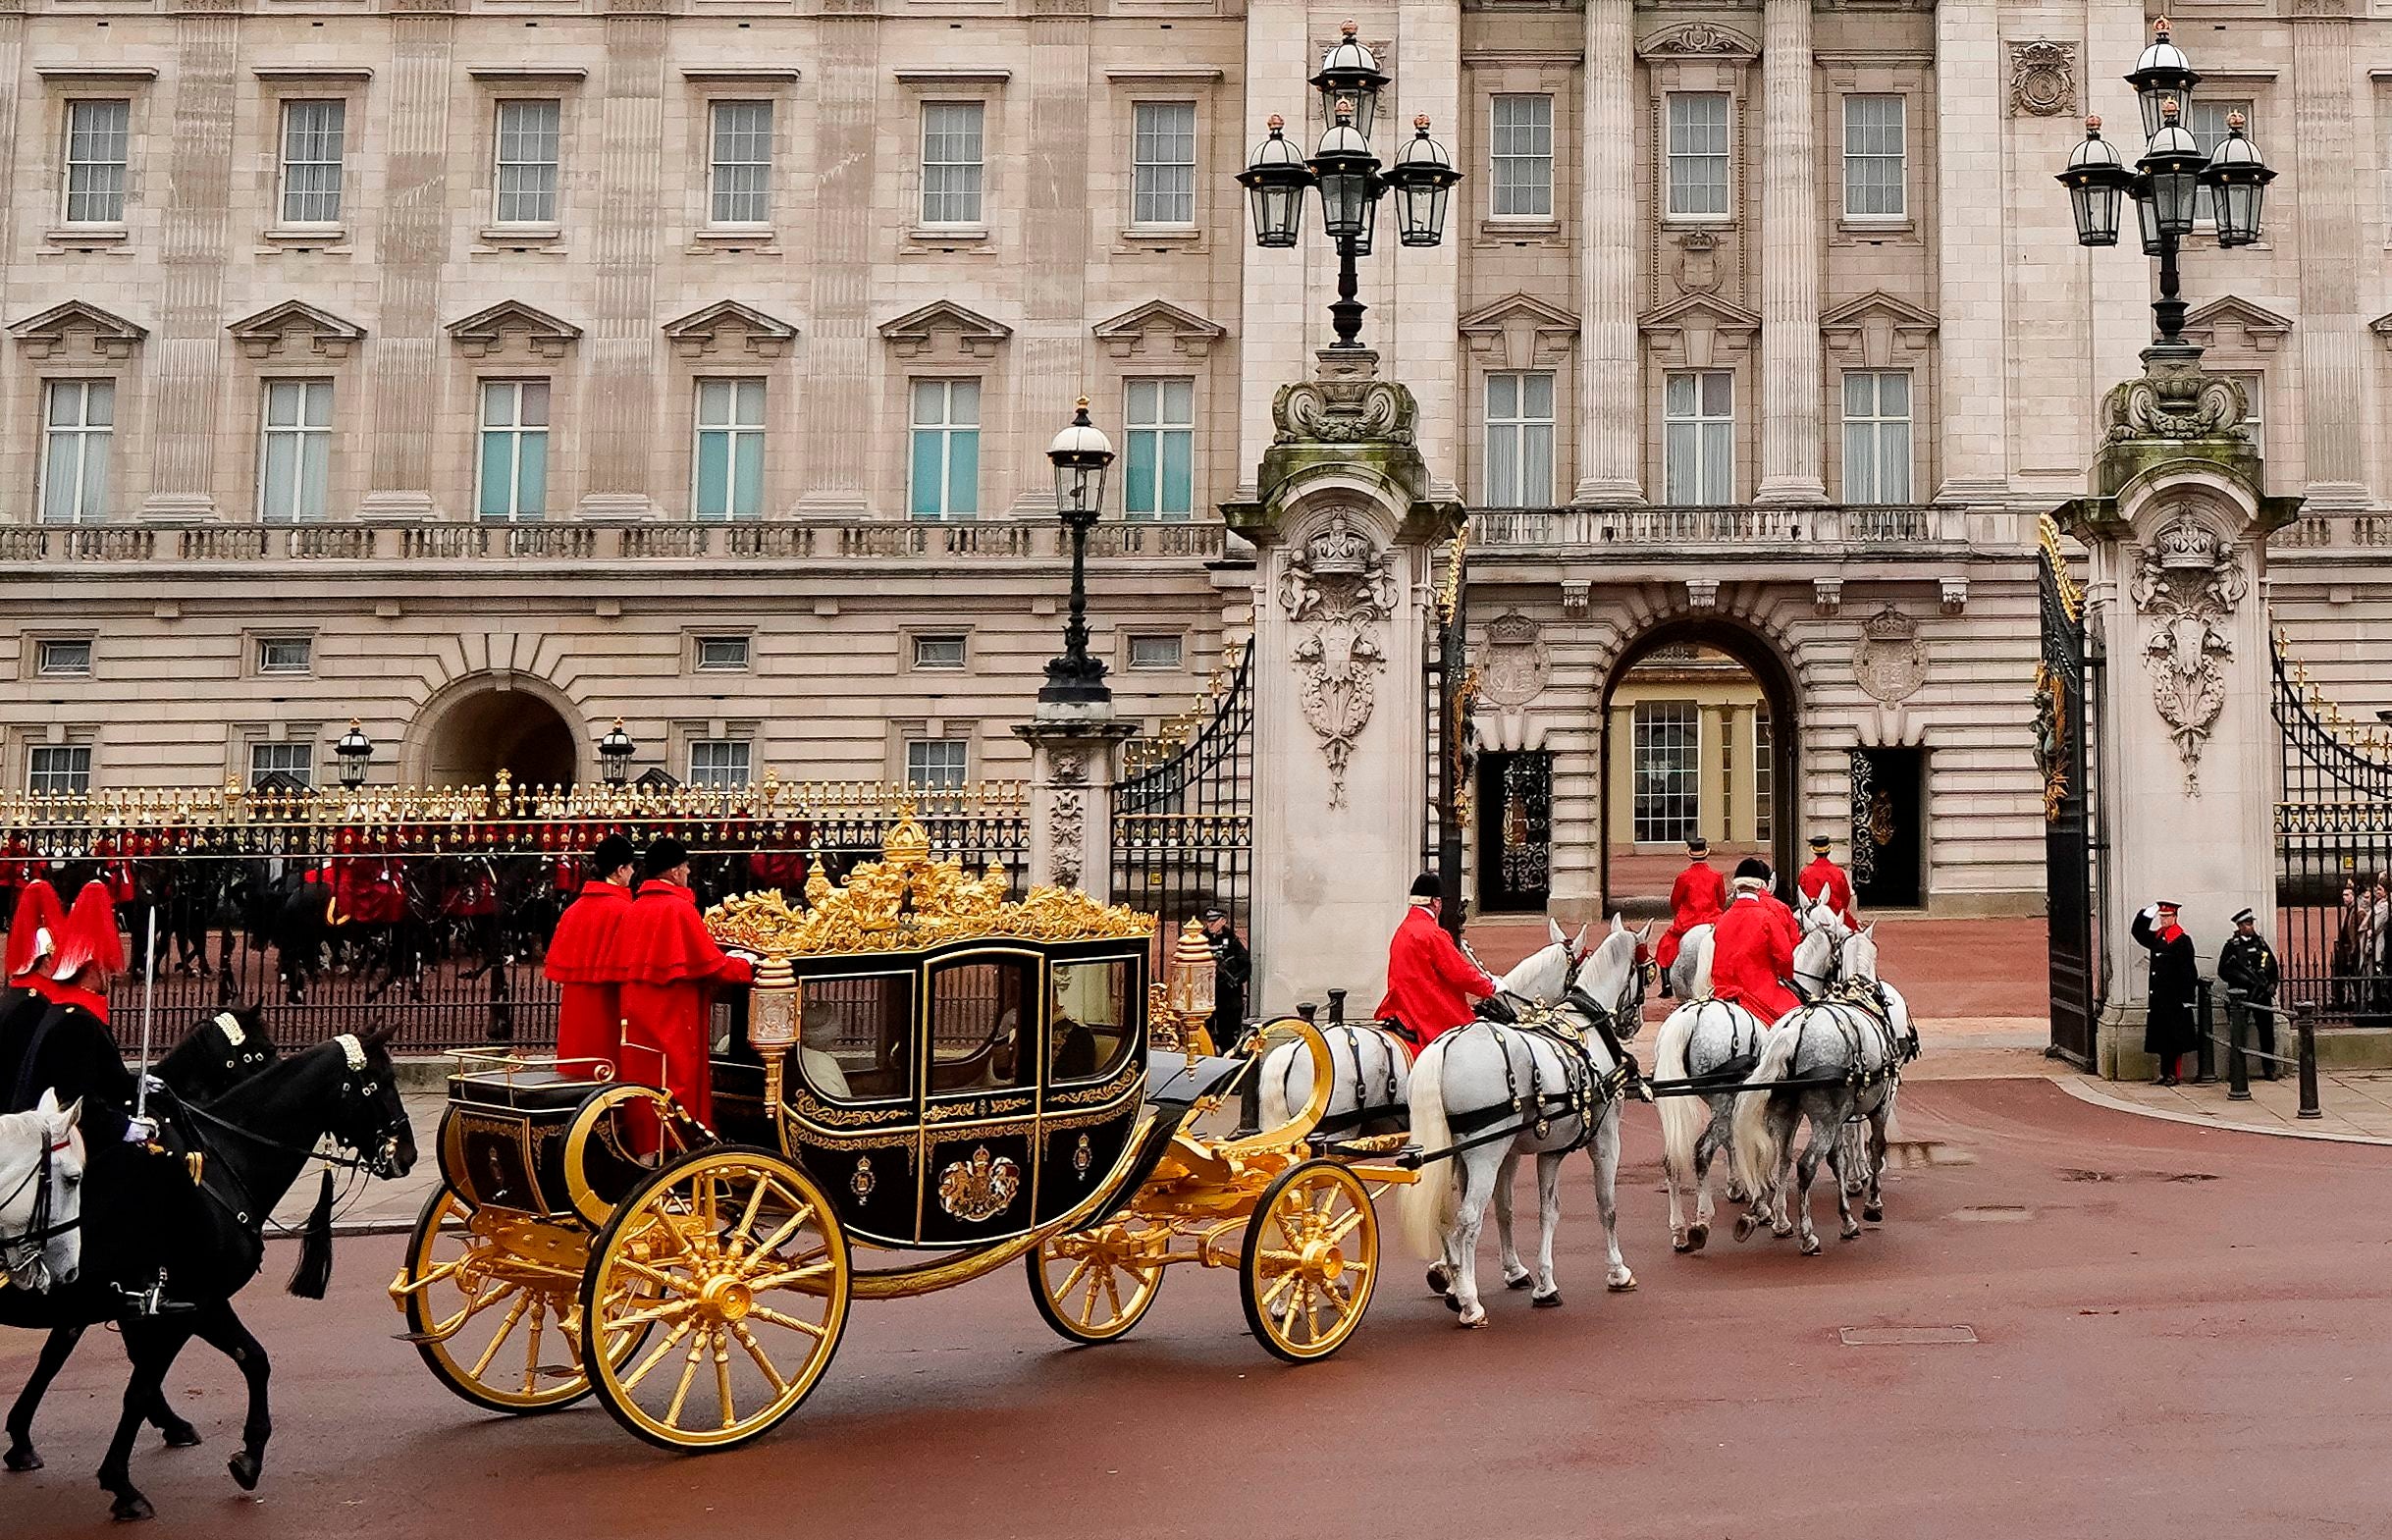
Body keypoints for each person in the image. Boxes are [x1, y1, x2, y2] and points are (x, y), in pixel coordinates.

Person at [612, 838, 752, 1129]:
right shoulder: (678, 908)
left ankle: (648, 1145)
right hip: (674, 1016)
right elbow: (712, 966)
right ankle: (681, 1146)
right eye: (686, 867)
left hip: (637, 1016)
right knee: (677, 1082)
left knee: (645, 1080)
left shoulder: (634, 908)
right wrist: (745, 966)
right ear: (675, 871)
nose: (688, 873)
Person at [544, 834, 637, 1077]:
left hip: (575, 1016)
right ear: (620, 870)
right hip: (608, 1011)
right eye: (631, 867)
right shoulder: (625, 910)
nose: (633, 873)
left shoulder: (575, 909)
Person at [1374, 873, 1498, 1050]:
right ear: (1436, 902)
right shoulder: (1432, 933)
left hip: (1403, 1007)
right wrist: (1490, 986)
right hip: (1427, 1009)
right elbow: (1459, 973)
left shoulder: (1403, 930)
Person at [1709, 858, 1802, 1024]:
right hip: (1759, 993)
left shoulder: (1723, 919)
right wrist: (1785, 974)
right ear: (1760, 886)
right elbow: (1785, 957)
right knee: (1798, 1019)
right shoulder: (1767, 918)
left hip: (1723, 991)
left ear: (1737, 887)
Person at [2131, 899, 2198, 1086]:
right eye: (2161, 916)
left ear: (2175, 917)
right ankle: (2163, 1073)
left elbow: (2188, 971)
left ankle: (2173, 1074)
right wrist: (2146, 914)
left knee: (2173, 1038)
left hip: (2174, 998)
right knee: (2161, 1037)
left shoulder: (2182, 940)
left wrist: (2187, 997)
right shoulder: (2158, 937)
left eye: (2167, 917)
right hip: (2159, 997)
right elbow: (2138, 932)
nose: (2163, 920)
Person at [2215, 906, 2281, 1081]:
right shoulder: (2231, 946)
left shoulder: (2260, 943)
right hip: (2241, 996)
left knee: (2267, 1033)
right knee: (2238, 1034)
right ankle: (2237, 1070)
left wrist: (2272, 984)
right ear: (2239, 926)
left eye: (2251, 923)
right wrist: (2243, 980)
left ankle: (2269, 1068)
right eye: (2246, 924)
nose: (2250, 926)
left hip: (2261, 995)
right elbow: (2223, 970)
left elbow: (2272, 967)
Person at [1655, 836, 1726, 995]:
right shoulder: (1716, 876)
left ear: (1690, 855)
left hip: (1689, 922)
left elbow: (1675, 901)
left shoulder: (1683, 877)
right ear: (1706, 854)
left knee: (1665, 946)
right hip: (1713, 920)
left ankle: (1666, 985)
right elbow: (1721, 900)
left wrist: (1681, 914)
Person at [1200, 907, 1251, 1054]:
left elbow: (1246, 964)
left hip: (1228, 994)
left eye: (1214, 922)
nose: (1210, 925)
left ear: (1223, 921)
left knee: (1228, 1029)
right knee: (1206, 1027)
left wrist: (1236, 980)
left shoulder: (1231, 940)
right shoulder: (1202, 939)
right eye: (1208, 922)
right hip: (1208, 992)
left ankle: (1228, 1053)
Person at [1797, 833, 1860, 929]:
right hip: (1835, 918)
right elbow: (1845, 896)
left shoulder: (1806, 872)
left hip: (1812, 919)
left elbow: (1802, 896)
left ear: (1814, 852)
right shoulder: (1838, 872)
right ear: (1829, 851)